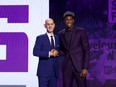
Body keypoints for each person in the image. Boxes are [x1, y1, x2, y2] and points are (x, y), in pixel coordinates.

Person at [58, 11, 90, 87]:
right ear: (64, 21)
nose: (68, 21)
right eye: (66, 19)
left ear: (73, 20)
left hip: (79, 66)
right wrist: (57, 52)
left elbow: (86, 50)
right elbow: (63, 50)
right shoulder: (61, 33)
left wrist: (85, 68)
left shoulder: (81, 31)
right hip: (67, 67)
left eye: (70, 19)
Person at [33, 18, 60, 87]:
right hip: (43, 72)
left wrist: (57, 52)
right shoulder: (40, 38)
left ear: (54, 25)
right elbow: (35, 52)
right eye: (48, 24)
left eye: (51, 24)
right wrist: (49, 53)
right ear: (45, 26)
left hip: (54, 72)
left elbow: (60, 51)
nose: (50, 26)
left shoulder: (57, 38)